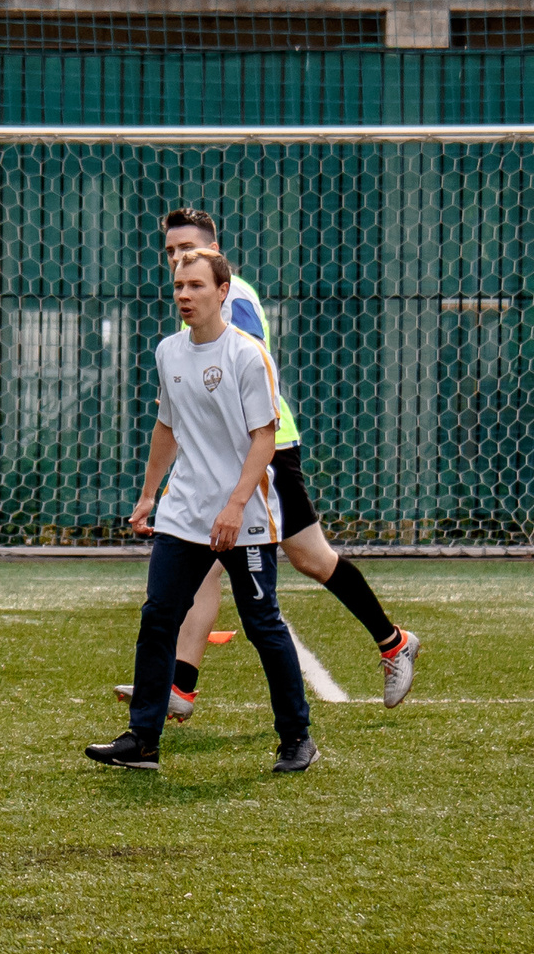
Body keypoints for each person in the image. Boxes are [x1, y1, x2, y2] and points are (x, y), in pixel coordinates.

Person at [113, 208, 420, 717]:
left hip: (267, 452)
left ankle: (393, 642)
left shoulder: (235, 299)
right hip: (223, 456)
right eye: (169, 252)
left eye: (186, 247)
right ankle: (180, 688)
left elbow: (252, 366)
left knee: (312, 559)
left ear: (214, 249)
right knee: (204, 563)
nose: (177, 258)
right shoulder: (188, 313)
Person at [91, 247, 315, 775]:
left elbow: (266, 437)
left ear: (222, 292)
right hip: (184, 514)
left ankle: (297, 737)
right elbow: (167, 426)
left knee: (263, 625)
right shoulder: (169, 351)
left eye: (195, 286)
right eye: (178, 286)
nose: (184, 295)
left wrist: (236, 506)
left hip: (246, 518)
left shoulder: (246, 354)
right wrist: (150, 494)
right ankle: (143, 741)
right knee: (158, 618)